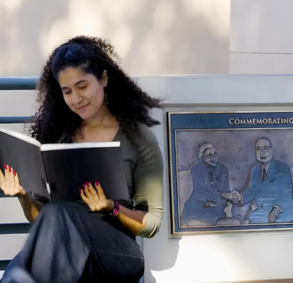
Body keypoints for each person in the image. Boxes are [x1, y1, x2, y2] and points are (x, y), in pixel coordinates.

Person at [0, 36, 163, 282]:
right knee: (54, 216)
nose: (76, 98)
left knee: (32, 261)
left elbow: (151, 224)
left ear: (104, 79)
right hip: (61, 254)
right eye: (67, 91)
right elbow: (44, 220)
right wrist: (23, 195)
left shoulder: (139, 139)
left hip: (115, 253)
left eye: (82, 86)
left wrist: (112, 207)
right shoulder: (60, 137)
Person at [229, 137, 293, 224]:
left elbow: (285, 192)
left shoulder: (282, 167)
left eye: (265, 148)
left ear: (271, 150)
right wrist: (240, 197)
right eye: (258, 149)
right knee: (248, 222)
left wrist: (277, 208)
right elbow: (252, 191)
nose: (262, 152)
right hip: (262, 212)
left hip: (282, 211)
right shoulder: (255, 170)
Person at [180, 142, 230, 226]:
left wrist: (218, 202)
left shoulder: (223, 169)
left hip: (216, 206)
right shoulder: (196, 169)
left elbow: (226, 190)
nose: (213, 158)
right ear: (203, 157)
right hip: (196, 205)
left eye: (215, 154)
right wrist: (221, 195)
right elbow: (199, 191)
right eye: (209, 155)